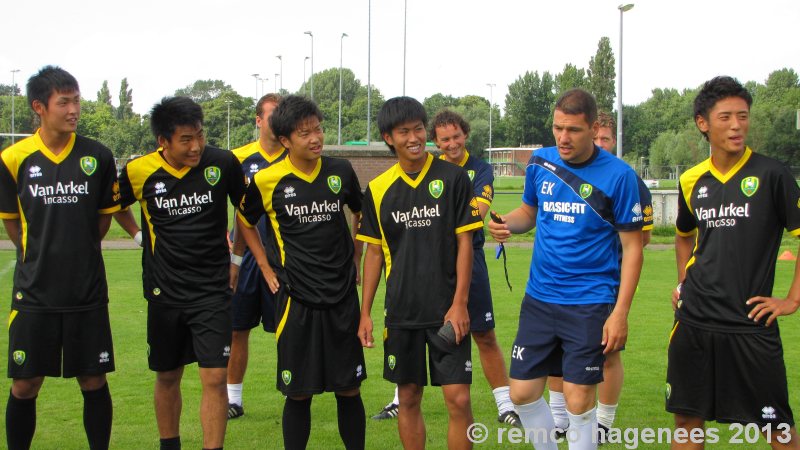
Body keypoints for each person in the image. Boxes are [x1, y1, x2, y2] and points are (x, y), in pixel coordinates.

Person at [488, 88, 643, 450]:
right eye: (558, 128)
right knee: (522, 393)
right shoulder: (540, 162)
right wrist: (505, 224)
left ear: (593, 129)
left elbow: (633, 248)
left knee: (577, 399)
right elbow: (529, 212)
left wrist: (620, 313)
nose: (563, 137)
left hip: (590, 302)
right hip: (540, 299)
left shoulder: (620, 176)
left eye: (573, 130)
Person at [667, 76, 800, 449]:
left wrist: (791, 300)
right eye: (725, 117)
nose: (737, 125)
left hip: (750, 326)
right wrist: (682, 284)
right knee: (687, 422)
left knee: (778, 428)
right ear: (703, 123)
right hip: (694, 322)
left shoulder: (772, 174)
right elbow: (682, 235)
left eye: (743, 116)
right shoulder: (692, 179)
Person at [372, 109, 520, 426]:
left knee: (483, 333)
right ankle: (399, 400)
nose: (452, 144)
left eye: (456, 137)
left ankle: (506, 405)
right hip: (423, 266)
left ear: (465, 135)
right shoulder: (410, 176)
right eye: (445, 139)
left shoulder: (477, 170)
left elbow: (477, 213)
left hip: (468, 261)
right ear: (436, 142)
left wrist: (439, 215)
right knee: (412, 336)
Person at [0, 66, 119, 450]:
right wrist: (39, 257)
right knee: (25, 383)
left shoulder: (97, 156)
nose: (74, 110)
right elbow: (14, 226)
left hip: (86, 292)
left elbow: (102, 221)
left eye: (77, 100)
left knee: (94, 380)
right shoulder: (13, 158)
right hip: (35, 293)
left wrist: (76, 252)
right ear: (39, 107)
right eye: (64, 102)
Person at [237, 95, 366, 450]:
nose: (315, 138)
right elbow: (244, 220)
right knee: (298, 393)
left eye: (318, 129)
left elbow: (361, 211)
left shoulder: (340, 170)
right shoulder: (267, 179)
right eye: (305, 133)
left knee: (349, 388)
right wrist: (263, 265)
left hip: (341, 296)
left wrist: (355, 252)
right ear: (285, 140)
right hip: (295, 300)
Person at [117, 96, 246, 450]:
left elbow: (247, 214)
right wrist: (138, 234)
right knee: (168, 374)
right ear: (164, 141)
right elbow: (113, 205)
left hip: (212, 290)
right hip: (165, 291)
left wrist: (235, 261)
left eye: (200, 136)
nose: (196, 146)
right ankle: (169, 444)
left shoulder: (222, 162)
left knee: (215, 376)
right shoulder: (138, 170)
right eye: (186, 140)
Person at [358, 97, 483, 450]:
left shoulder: (454, 177)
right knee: (408, 398)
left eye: (418, 130)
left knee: (458, 399)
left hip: (447, 312)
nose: (413, 138)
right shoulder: (379, 189)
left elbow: (465, 244)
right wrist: (365, 312)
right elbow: (373, 254)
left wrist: (460, 304)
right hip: (401, 314)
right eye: (404, 132)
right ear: (388, 137)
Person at [547, 110, 654, 436]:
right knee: (557, 349)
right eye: (597, 138)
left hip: (605, 282)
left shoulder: (627, 180)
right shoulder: (564, 173)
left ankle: (604, 422)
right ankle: (558, 419)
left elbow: (643, 237)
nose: (599, 144)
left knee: (607, 352)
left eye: (605, 139)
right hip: (561, 282)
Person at [226, 93, 287, 420]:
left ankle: (295, 389)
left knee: (288, 328)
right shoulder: (236, 159)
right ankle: (232, 398)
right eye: (272, 116)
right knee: (237, 329)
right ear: (258, 120)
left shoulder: (294, 156)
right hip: (246, 258)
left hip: (284, 260)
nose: (278, 122)